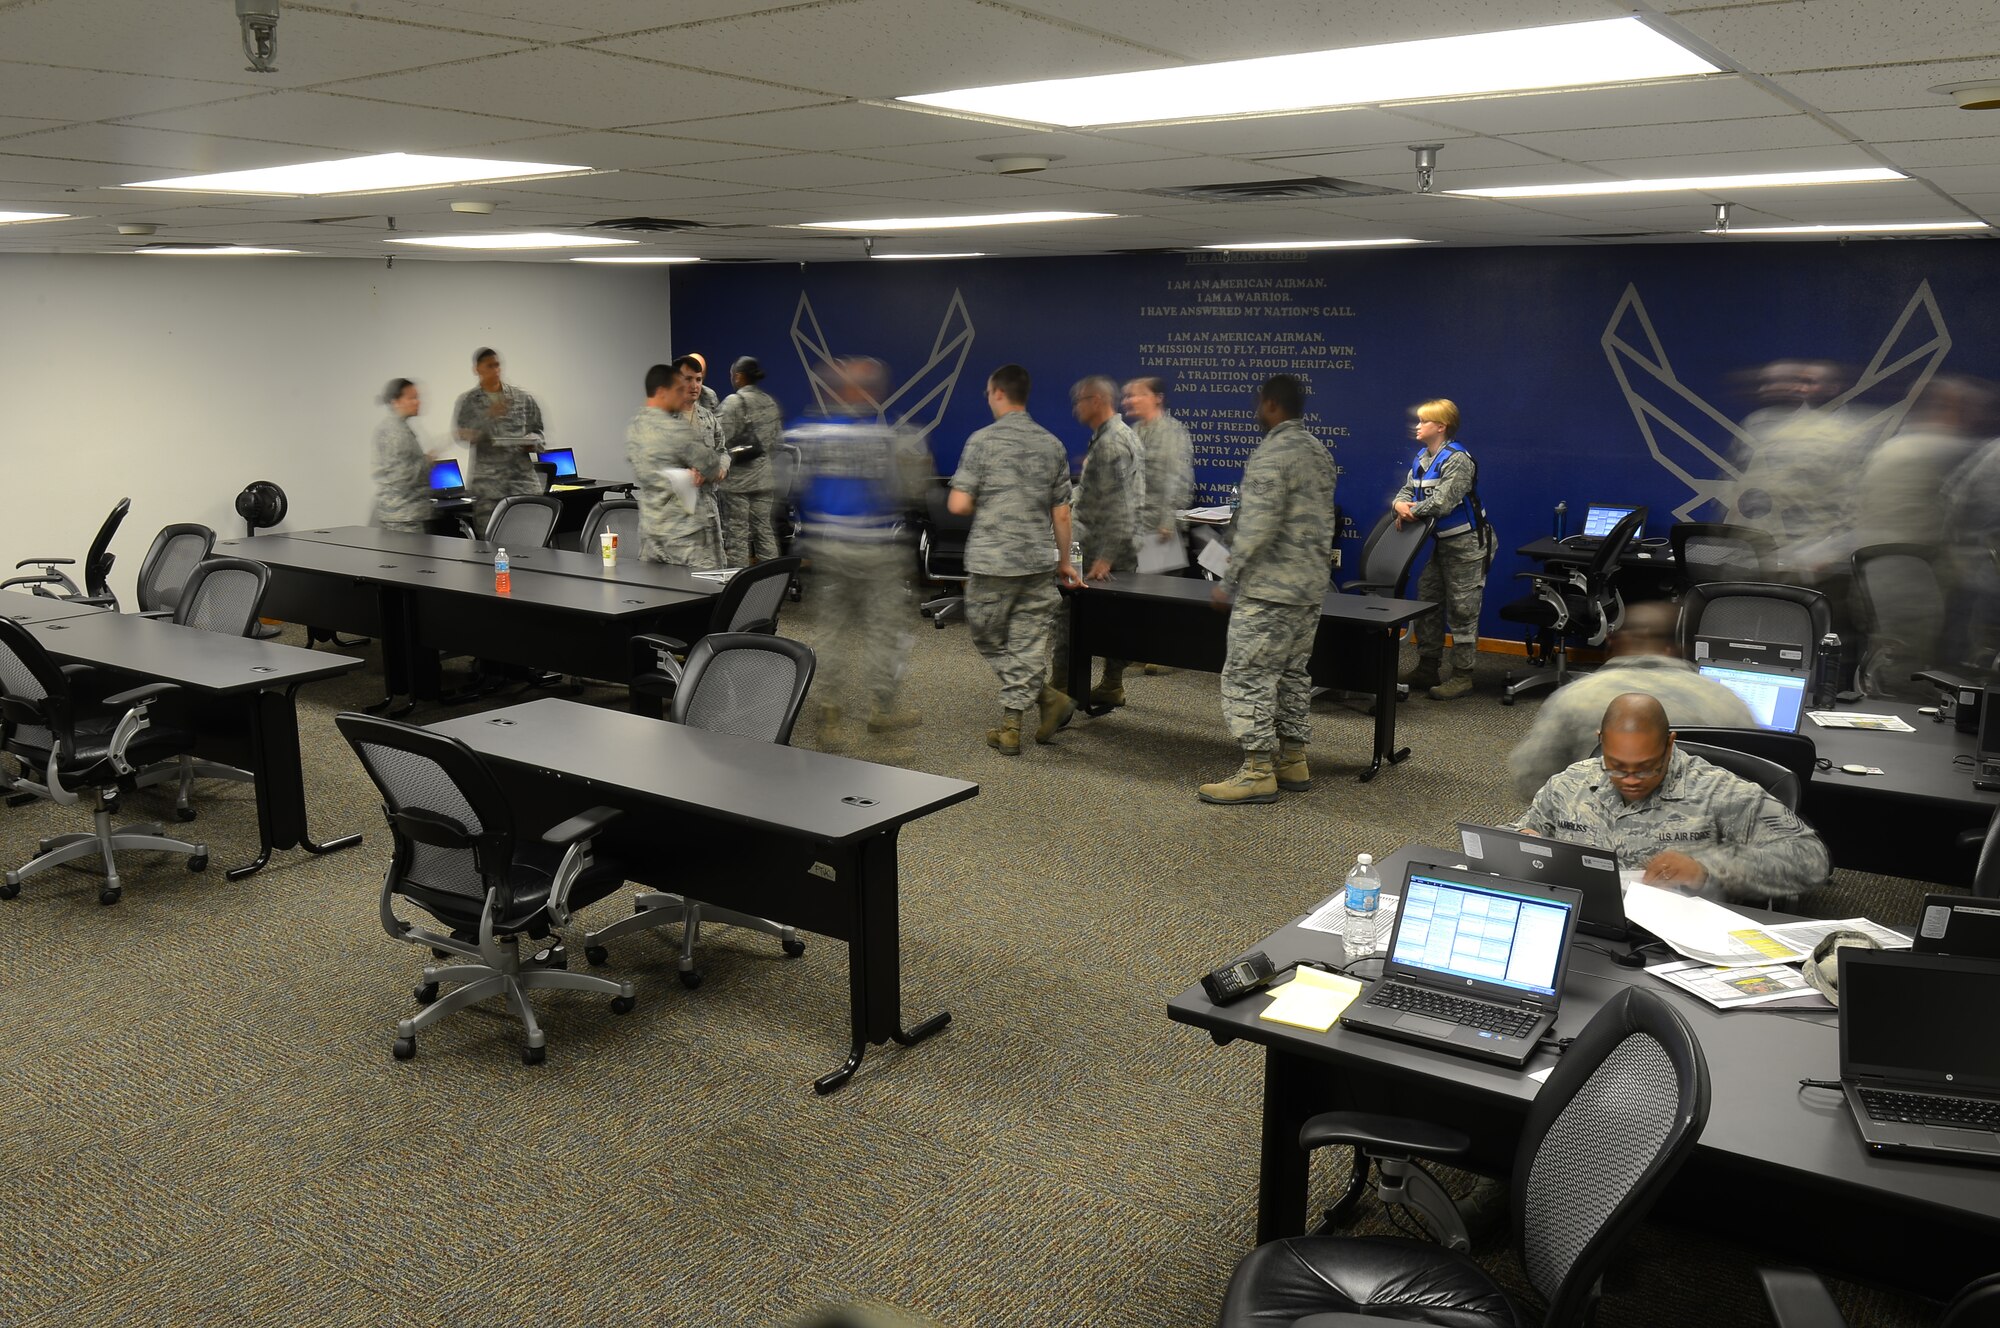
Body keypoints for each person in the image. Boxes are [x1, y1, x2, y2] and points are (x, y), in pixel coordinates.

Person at [1514, 693, 1830, 904]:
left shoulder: (1719, 793)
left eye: (1646, 768)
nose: (1631, 781)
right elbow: (1522, 834)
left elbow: (1811, 858)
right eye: (1617, 767)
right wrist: (1521, 842)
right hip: (1584, 929)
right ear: (1601, 742)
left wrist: (1708, 869)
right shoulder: (1570, 783)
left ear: (1669, 744)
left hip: (1674, 946)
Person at [1201, 374, 1337, 805]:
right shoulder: (1319, 452)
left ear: (1271, 405)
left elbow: (1257, 528)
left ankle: (1258, 770)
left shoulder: (1270, 454)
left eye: (1259, 404)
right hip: (1309, 589)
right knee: (1293, 674)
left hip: (1268, 591)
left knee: (1248, 675)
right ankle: (1293, 759)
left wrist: (1228, 578)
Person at [789, 357, 931, 743]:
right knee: (883, 631)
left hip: (827, 547)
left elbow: (789, 486)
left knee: (832, 632)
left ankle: (830, 715)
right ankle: (882, 709)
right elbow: (908, 491)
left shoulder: (807, 433)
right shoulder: (886, 438)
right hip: (876, 550)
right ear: (861, 391)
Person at [949, 364, 1082, 756]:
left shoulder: (981, 441)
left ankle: (1030, 712)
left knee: (989, 638)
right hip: (1039, 559)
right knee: (1027, 642)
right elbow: (1062, 513)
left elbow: (958, 503)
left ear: (996, 393)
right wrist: (1065, 562)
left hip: (994, 561)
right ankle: (1022, 716)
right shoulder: (1053, 444)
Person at [1505, 602, 1755, 802]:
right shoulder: (1726, 700)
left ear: (1612, 644)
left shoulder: (1573, 699)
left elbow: (1531, 780)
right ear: (1677, 647)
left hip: (1596, 845)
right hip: (1698, 848)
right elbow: (1762, 780)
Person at [1051, 375, 1146, 710]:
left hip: (1101, 549)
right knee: (1111, 619)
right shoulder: (1110, 438)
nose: (1075, 407)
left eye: (1079, 400)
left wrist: (1105, 557)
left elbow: (1124, 506)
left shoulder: (1112, 443)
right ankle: (1110, 685)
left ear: (1095, 400)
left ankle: (1060, 688)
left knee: (1068, 615)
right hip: (1107, 544)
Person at [1392, 397, 1492, 700]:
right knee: (1428, 600)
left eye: (1424, 421)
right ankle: (1428, 667)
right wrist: (1398, 504)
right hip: (1443, 545)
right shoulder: (1423, 457)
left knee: (1463, 609)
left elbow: (1443, 503)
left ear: (1441, 426)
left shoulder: (1458, 459)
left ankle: (1463, 676)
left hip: (1468, 545)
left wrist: (1410, 511)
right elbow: (1407, 491)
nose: (1418, 426)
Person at [626, 362, 725, 568]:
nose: (685, 392)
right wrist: (703, 471)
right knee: (703, 590)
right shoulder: (673, 428)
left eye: (698, 380)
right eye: (679, 389)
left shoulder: (635, 425)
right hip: (683, 532)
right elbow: (711, 463)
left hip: (652, 527)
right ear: (663, 392)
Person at [452, 347, 546, 532]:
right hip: (489, 488)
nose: (495, 370)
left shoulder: (522, 397)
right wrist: (489, 415)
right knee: (491, 544)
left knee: (529, 541)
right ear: (477, 369)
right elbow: (462, 435)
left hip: (522, 483)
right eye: (489, 366)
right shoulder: (468, 401)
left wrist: (533, 443)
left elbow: (539, 433)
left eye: (497, 365)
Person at [716, 355, 783, 566]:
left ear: (738, 376)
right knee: (764, 531)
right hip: (764, 479)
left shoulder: (733, 402)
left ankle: (740, 589)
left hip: (738, 483)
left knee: (737, 535)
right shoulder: (770, 402)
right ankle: (772, 583)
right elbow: (776, 441)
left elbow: (718, 439)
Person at [1125, 375, 1194, 545]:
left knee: (1156, 573)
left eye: (1141, 394)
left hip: (1160, 530)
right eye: (1129, 395)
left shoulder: (1172, 431)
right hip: (1134, 526)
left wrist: (1168, 522)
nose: (1133, 400)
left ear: (1158, 398)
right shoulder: (1132, 431)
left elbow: (1179, 479)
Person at [371, 377, 435, 534]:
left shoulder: (399, 427)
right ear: (395, 402)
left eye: (417, 397)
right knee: (409, 559)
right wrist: (428, 462)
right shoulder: (395, 432)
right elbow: (401, 476)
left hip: (405, 514)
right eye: (412, 398)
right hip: (403, 517)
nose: (417, 402)